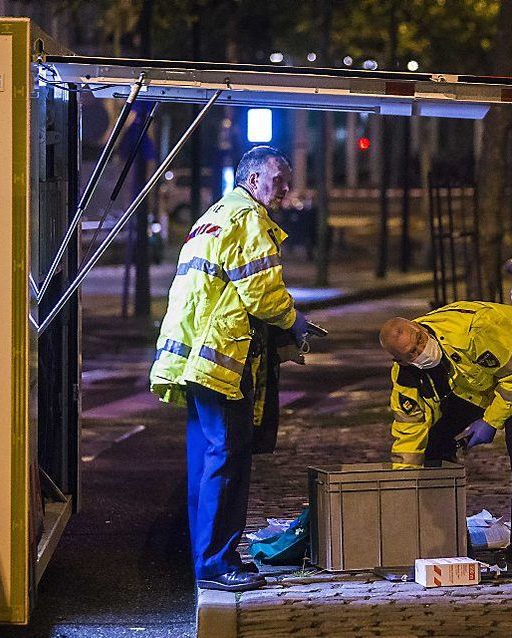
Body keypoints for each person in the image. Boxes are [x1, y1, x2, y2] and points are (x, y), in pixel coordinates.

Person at [149, 145, 309, 592]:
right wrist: (294, 321)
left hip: (194, 359)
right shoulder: (249, 219)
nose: (285, 190)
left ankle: (207, 556)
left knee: (206, 459)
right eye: (279, 180)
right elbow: (263, 294)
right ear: (253, 179)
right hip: (224, 359)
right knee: (229, 460)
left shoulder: (213, 215)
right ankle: (218, 564)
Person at [378, 301, 512, 566]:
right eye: (412, 353)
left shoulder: (476, 329)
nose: (421, 350)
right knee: (434, 442)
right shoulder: (407, 377)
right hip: (475, 372)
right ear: (402, 361)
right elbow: (409, 431)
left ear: (419, 326)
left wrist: (489, 421)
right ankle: (452, 539)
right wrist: (403, 485)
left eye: (420, 340)